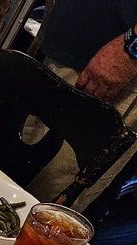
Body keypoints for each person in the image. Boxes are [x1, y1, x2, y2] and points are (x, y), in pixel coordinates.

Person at [27, 0, 137, 209]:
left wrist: (130, 51)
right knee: (10, 176)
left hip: (111, 74)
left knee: (42, 203)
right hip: (65, 50)